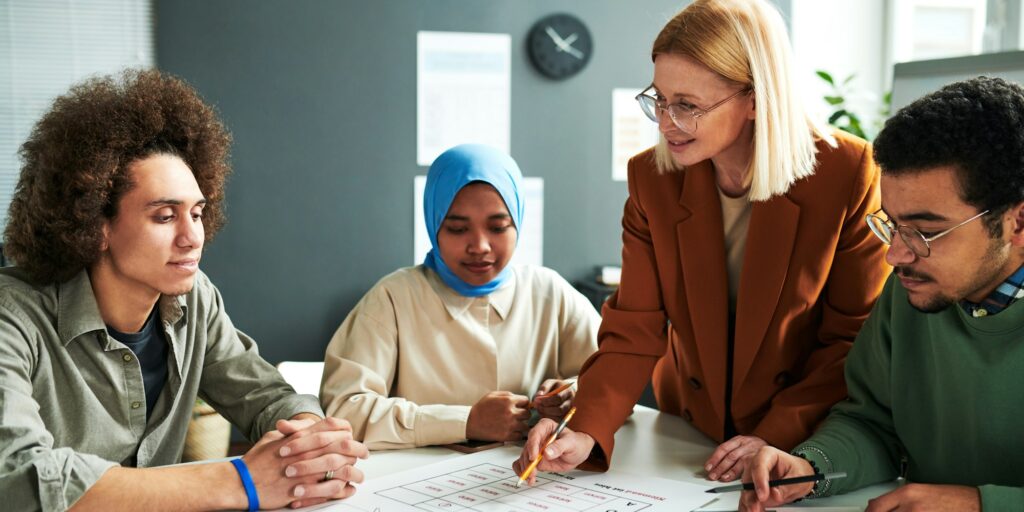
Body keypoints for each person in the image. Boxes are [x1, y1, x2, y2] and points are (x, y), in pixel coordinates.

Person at [514, 0, 890, 485]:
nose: (665, 123)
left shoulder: (846, 172)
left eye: (687, 106)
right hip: (690, 428)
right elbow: (635, 329)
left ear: (756, 99)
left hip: (799, 430)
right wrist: (585, 429)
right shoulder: (651, 178)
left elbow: (851, 338)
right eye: (659, 100)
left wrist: (775, 434)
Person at [0, 69, 368, 511]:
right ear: (96, 225)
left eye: (196, 212)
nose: (193, 237)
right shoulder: (12, 317)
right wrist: (240, 482)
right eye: (164, 216)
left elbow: (265, 395)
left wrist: (309, 438)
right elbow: (18, 477)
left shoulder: (195, 299)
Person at [738, 76, 1024, 512]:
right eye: (892, 225)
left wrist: (978, 504)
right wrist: (811, 468)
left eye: (926, 232)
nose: (894, 255)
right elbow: (873, 424)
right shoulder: (913, 287)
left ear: (1017, 224)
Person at [320, 144, 600, 449]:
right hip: (419, 484)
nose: (479, 245)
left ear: (517, 222)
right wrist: (465, 421)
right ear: (433, 223)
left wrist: (574, 395)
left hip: (534, 479)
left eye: (497, 227)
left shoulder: (550, 293)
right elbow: (344, 411)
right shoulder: (392, 298)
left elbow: (613, 382)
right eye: (457, 228)